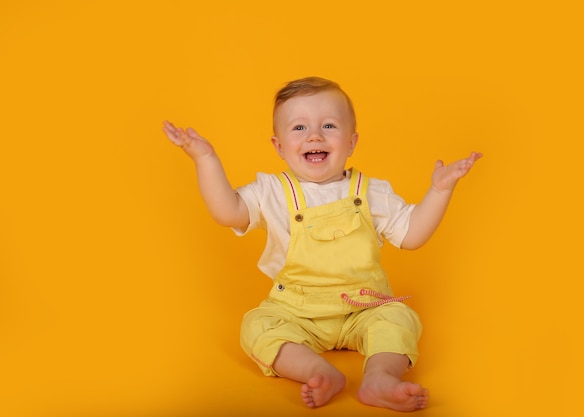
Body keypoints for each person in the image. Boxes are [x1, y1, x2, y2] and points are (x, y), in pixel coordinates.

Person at [162, 76, 482, 412]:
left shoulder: (372, 192)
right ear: (279, 146)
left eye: (329, 125)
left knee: (399, 318)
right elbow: (227, 212)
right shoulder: (272, 191)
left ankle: (380, 377)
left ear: (352, 142)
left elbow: (412, 235)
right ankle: (317, 371)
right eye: (299, 128)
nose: (315, 135)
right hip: (297, 312)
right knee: (256, 326)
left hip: (364, 308)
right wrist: (205, 159)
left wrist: (440, 191)